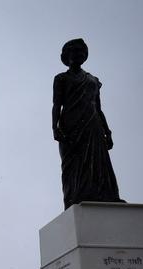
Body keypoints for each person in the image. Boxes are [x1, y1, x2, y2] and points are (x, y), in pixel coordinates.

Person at [52, 38, 122, 210]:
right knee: (73, 165)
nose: (79, 54)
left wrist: (108, 131)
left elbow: (98, 108)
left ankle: (107, 196)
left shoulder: (93, 80)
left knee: (99, 162)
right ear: (67, 56)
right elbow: (56, 105)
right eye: (75, 51)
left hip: (92, 125)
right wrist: (55, 127)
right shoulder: (61, 79)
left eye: (82, 51)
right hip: (70, 127)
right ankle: (75, 198)